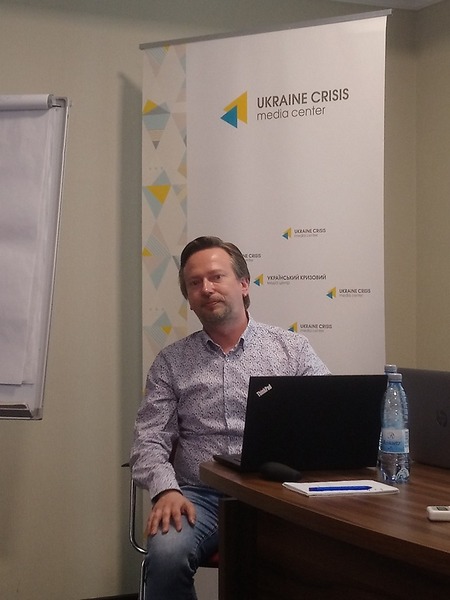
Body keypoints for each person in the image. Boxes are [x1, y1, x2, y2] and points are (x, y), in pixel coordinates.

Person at [130, 235, 329, 600]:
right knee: (167, 555)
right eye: (194, 283)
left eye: (216, 277)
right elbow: (149, 439)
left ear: (243, 284)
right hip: (200, 497)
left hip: (279, 493)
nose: (206, 288)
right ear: (189, 298)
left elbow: (330, 416)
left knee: (337, 553)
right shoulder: (171, 362)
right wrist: (166, 490)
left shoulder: (291, 350)